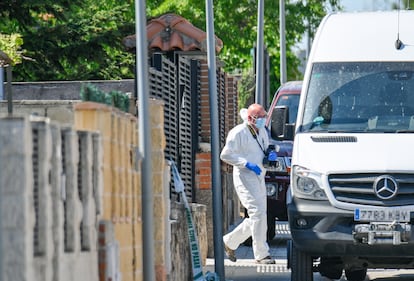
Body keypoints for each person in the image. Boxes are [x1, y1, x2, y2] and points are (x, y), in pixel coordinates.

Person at [221, 103, 275, 264]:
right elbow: (225, 155)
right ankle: (261, 254)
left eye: (264, 117)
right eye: (261, 118)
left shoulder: (262, 130)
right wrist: (246, 163)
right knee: (257, 213)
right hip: (245, 176)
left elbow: (265, 147)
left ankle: (230, 241)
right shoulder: (238, 132)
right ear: (251, 118)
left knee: (259, 215)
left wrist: (271, 153)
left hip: (259, 176)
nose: (263, 120)